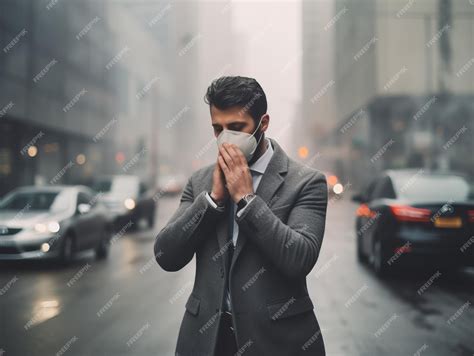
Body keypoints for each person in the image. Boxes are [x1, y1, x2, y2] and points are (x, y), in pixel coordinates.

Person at [154, 76, 328, 356]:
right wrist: (212, 202)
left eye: (236, 127)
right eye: (217, 128)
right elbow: (166, 255)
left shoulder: (306, 182)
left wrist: (248, 201)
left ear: (264, 123)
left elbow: (300, 258)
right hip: (207, 341)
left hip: (278, 342)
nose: (226, 137)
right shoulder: (200, 182)